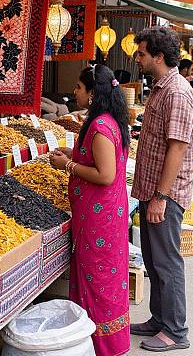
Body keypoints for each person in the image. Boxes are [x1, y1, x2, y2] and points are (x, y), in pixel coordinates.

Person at [50, 64, 130, 356]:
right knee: (103, 275)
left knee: (97, 277)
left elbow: (106, 175)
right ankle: (103, 342)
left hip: (99, 219)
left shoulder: (99, 127)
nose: (74, 92)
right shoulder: (109, 122)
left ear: (93, 92)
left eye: (79, 88)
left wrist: (68, 165)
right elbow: (98, 160)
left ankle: (99, 344)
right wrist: (74, 154)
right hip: (104, 214)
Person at [131, 26, 193, 352]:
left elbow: (178, 148)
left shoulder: (177, 92)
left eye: (141, 53)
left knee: (167, 262)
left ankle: (175, 331)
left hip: (164, 195)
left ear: (159, 56)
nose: (137, 58)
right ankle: (159, 319)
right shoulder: (161, 88)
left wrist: (160, 196)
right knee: (153, 259)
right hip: (150, 190)